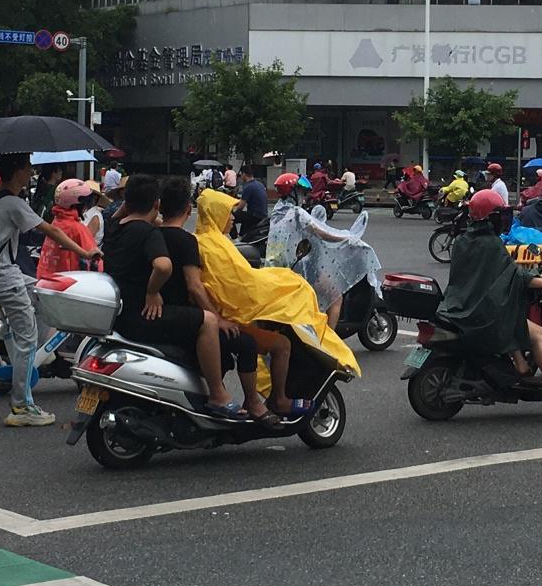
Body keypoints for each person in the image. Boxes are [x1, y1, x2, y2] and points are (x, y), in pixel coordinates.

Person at [194, 187, 359, 417]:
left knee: (293, 287)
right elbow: (237, 286)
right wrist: (279, 285)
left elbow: (239, 279)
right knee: (282, 344)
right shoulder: (212, 245)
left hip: (241, 303)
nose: (232, 217)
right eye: (228, 212)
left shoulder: (214, 241)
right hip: (235, 315)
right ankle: (278, 400)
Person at [104, 175, 242, 420]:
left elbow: (123, 213)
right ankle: (218, 394)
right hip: (145, 315)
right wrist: (152, 291)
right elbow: (163, 266)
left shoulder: (114, 228)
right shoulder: (149, 233)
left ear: (126, 202)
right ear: (156, 204)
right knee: (208, 321)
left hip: (121, 315)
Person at [0, 153, 94, 427]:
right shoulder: (12, 202)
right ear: (17, 171)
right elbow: (52, 231)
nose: (31, 173)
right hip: (4, 278)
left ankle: (21, 351)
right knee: (27, 339)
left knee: (41, 292)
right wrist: (85, 251)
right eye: (28, 168)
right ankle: (21, 406)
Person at [435, 189, 542, 412]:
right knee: (538, 333)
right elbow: (518, 277)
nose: (503, 220)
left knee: (511, 307)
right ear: (490, 218)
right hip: (480, 313)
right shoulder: (492, 245)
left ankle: (521, 364)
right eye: (499, 216)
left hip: (460, 305)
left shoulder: (464, 241)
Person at [157, 178, 273, 420]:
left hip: (160, 312)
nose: (231, 218)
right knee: (246, 344)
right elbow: (196, 287)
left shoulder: (153, 236)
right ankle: (245, 400)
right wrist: (218, 318)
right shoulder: (189, 241)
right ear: (188, 209)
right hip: (184, 316)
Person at [266, 172, 382, 325]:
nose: (302, 196)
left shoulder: (277, 212)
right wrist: (346, 238)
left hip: (278, 269)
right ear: (291, 192)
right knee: (336, 297)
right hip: (296, 270)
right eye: (300, 192)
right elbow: (322, 233)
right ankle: (328, 338)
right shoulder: (296, 213)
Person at [36, 179, 100, 276]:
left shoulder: (56, 221)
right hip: (67, 281)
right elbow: (95, 259)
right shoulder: (77, 228)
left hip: (44, 278)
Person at [234, 165, 269, 241]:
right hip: (263, 215)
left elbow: (241, 206)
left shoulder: (248, 187)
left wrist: (234, 211)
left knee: (231, 217)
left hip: (254, 216)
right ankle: (242, 234)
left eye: (241, 174)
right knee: (244, 215)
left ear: (244, 174)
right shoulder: (260, 184)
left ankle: (234, 238)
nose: (241, 177)